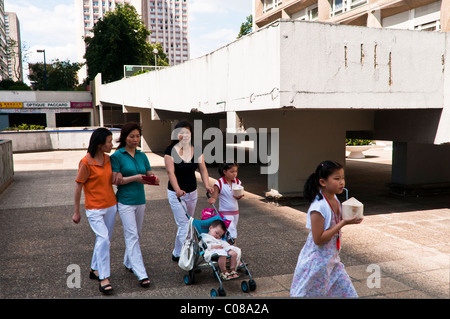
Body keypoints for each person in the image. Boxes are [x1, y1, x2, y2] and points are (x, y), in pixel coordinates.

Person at [290, 160, 363, 297]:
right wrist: (343, 223)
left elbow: (337, 221)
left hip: (332, 262)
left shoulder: (335, 199)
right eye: (337, 179)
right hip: (316, 265)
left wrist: (351, 211)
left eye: (342, 178)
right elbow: (318, 239)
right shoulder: (319, 207)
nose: (342, 182)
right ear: (323, 182)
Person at [111, 122, 159, 288]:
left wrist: (154, 179)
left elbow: (148, 174)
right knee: (132, 235)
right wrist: (135, 178)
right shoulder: (117, 156)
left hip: (140, 200)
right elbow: (116, 180)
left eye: (138, 136)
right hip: (125, 201)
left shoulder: (142, 155)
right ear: (124, 137)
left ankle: (128, 262)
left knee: (136, 234)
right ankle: (141, 273)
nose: (135, 139)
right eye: (132, 136)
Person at [72, 128, 117, 295]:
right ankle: (104, 277)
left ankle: (94, 269)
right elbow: (78, 186)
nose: (112, 144)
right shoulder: (86, 162)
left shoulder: (109, 160)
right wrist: (77, 211)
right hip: (94, 209)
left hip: (111, 206)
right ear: (100, 145)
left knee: (103, 240)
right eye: (109, 142)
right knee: (104, 238)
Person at [164, 120, 214, 262]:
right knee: (185, 225)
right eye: (181, 133)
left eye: (187, 132)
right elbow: (170, 173)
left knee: (187, 224)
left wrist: (207, 185)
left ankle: (177, 252)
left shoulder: (196, 149)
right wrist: (178, 190)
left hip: (192, 192)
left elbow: (203, 169)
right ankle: (189, 258)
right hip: (176, 194)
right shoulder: (170, 151)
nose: (184, 135)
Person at [207, 162, 243, 241]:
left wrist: (239, 196)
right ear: (224, 172)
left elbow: (237, 197)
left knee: (230, 232)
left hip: (236, 212)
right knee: (232, 234)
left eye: (236, 171)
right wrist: (212, 200)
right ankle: (233, 249)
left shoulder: (237, 182)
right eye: (232, 171)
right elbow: (214, 197)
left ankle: (226, 249)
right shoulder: (219, 183)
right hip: (225, 213)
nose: (234, 174)